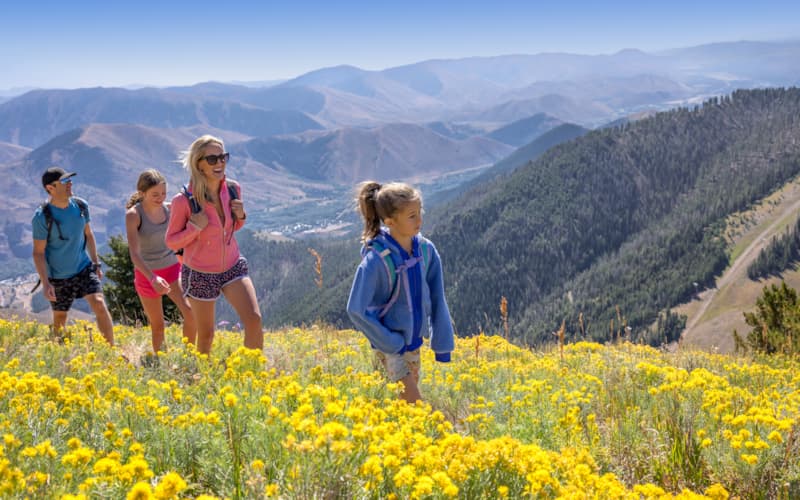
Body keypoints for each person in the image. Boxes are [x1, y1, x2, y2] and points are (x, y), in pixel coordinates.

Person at [346, 181, 454, 403]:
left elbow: (437, 297)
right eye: (412, 216)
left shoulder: (426, 250)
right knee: (414, 408)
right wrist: (390, 342)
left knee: (396, 406)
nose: (420, 220)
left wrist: (442, 345)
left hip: (414, 346)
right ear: (390, 222)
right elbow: (355, 309)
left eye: (419, 212)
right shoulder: (376, 260)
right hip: (390, 349)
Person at [165, 135, 263, 355]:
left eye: (223, 157)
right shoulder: (183, 201)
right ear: (198, 163)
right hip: (200, 273)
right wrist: (194, 228)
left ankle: (252, 374)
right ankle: (201, 379)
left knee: (254, 319)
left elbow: (231, 228)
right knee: (206, 336)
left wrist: (242, 215)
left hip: (232, 265)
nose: (219, 163)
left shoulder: (233, 190)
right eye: (212, 159)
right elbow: (171, 241)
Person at [32, 167, 114, 345]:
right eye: (64, 181)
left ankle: (111, 350)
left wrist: (96, 263)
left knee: (99, 302)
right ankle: (59, 351)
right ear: (50, 188)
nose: (70, 183)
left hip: (83, 268)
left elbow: (89, 234)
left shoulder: (81, 206)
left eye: (69, 180)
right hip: (58, 276)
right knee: (60, 318)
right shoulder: (41, 217)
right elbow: (38, 253)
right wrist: (46, 283)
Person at [125, 169, 196, 353]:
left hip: (172, 268)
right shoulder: (134, 215)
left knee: (190, 312)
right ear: (142, 193)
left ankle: (189, 356)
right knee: (157, 326)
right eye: (155, 194)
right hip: (147, 274)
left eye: (163, 193)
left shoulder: (169, 207)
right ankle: (160, 365)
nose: (160, 198)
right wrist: (152, 278)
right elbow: (134, 254)